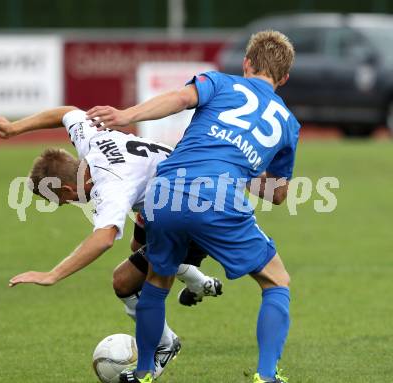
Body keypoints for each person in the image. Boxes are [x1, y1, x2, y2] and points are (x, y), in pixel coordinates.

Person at [86, 30, 300, 383]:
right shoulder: (288, 124)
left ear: (246, 63)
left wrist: (126, 116)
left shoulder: (218, 82)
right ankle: (266, 376)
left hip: (165, 190)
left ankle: (142, 374)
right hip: (218, 198)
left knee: (157, 279)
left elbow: (180, 98)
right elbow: (277, 194)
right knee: (276, 280)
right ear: (285, 78)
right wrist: (239, 164)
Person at [0, 106, 222, 378]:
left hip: (197, 208)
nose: (62, 205)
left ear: (67, 189)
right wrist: (14, 128)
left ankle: (165, 345)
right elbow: (67, 112)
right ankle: (197, 282)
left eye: (58, 200)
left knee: (124, 280)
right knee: (139, 250)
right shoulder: (90, 141)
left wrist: (52, 275)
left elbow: (103, 239)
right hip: (172, 196)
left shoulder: (109, 185)